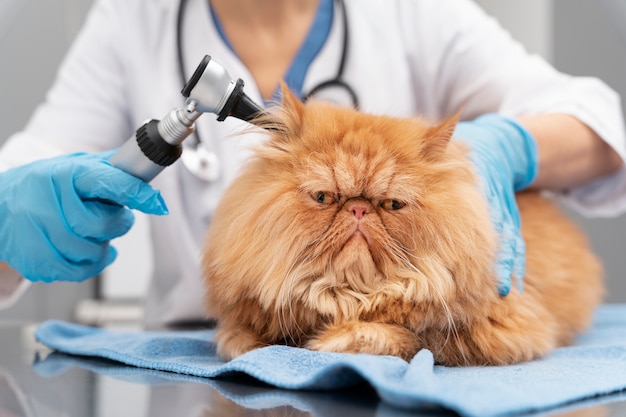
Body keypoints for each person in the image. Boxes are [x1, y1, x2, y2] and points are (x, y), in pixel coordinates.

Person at [0, 0, 624, 328]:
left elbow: (597, 121)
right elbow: (36, 157)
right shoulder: (132, 18)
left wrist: (507, 146)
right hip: (206, 352)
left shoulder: (412, 11)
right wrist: (9, 209)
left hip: (400, 340)